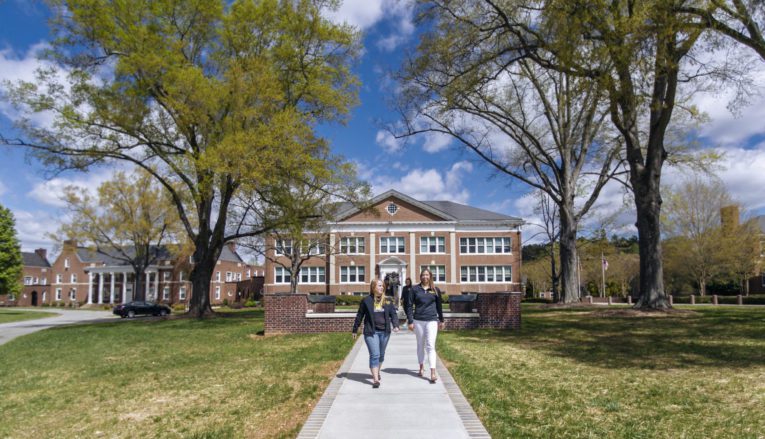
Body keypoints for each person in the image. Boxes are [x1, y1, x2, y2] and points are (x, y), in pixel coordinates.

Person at [352, 278, 400, 388]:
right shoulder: (366, 300)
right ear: (373, 287)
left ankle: (377, 371)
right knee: (375, 355)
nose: (382, 287)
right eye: (379, 285)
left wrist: (396, 325)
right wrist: (355, 329)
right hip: (371, 331)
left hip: (385, 332)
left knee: (381, 355)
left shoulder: (387, 300)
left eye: (382, 286)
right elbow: (360, 315)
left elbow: (393, 314)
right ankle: (375, 379)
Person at [404, 268, 444, 383]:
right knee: (420, 344)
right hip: (418, 320)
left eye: (427, 275)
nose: (425, 277)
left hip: (432, 320)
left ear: (430, 276)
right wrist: (410, 321)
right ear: (420, 276)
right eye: (423, 275)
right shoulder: (415, 289)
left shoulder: (435, 290)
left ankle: (433, 372)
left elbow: (439, 307)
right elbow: (409, 306)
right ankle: (421, 367)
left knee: (430, 345)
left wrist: (441, 320)